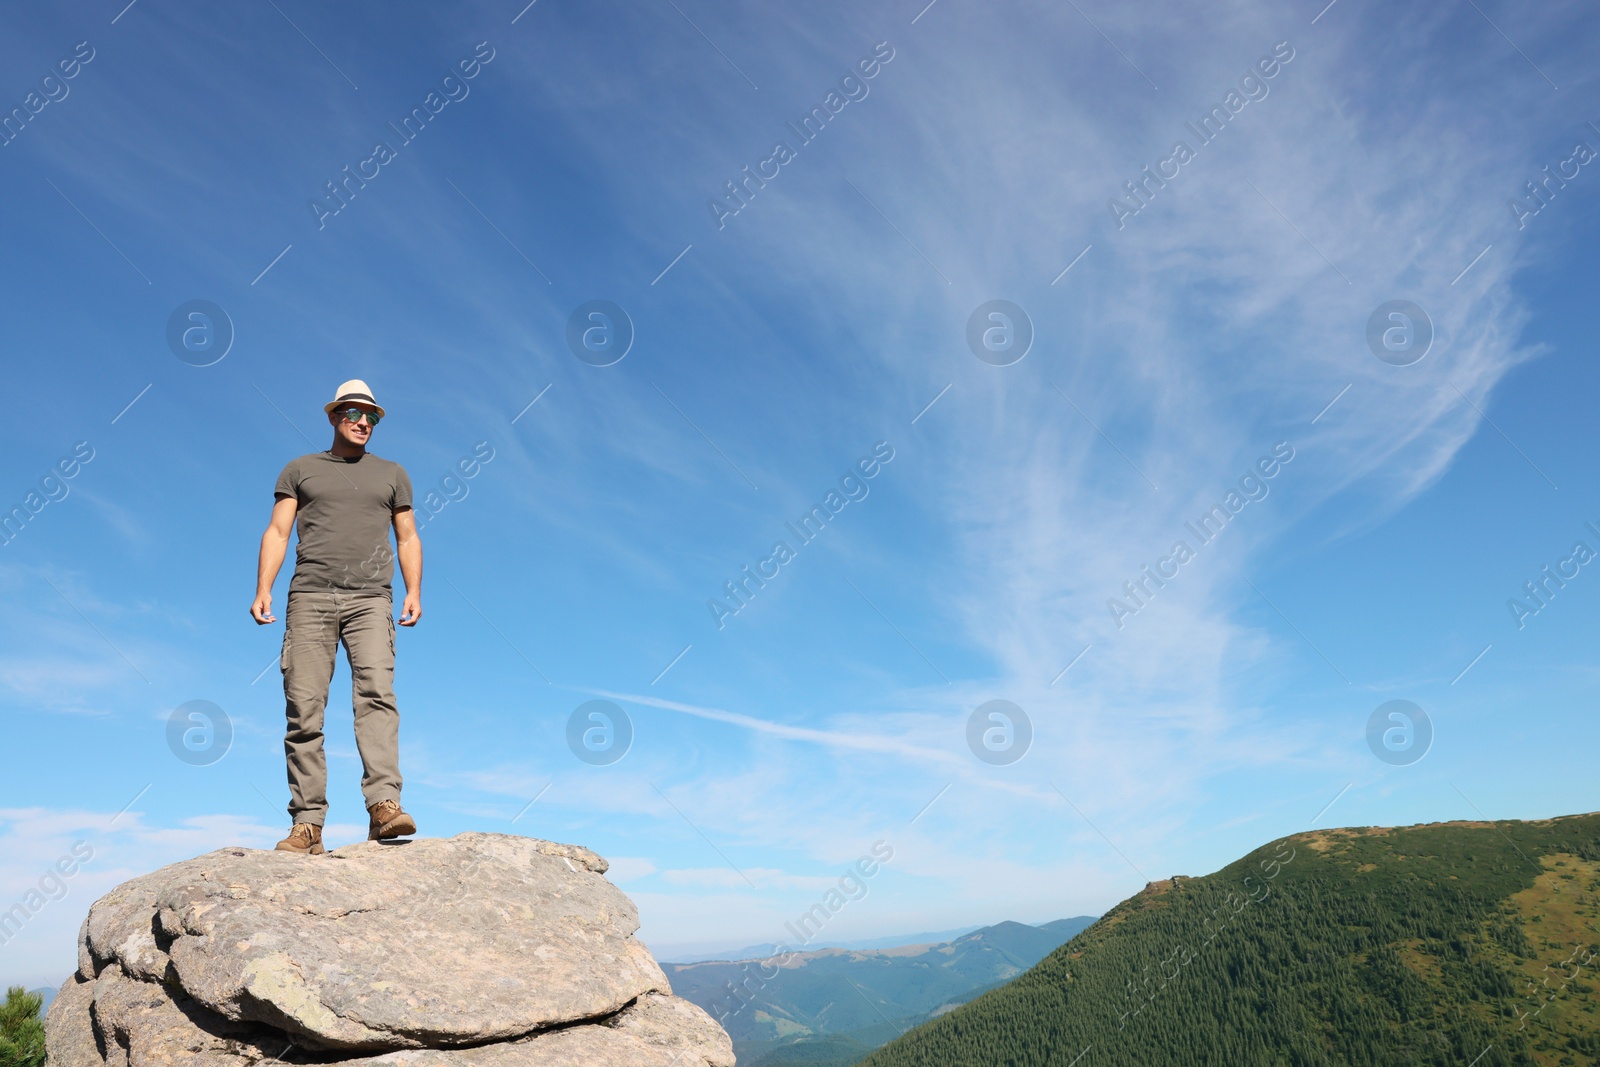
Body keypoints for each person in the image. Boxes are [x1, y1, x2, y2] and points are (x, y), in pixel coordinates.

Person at [250, 379, 422, 855]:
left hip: (372, 600)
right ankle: (308, 826)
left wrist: (414, 591)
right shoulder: (300, 470)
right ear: (333, 416)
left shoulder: (392, 474)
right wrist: (263, 588)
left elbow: (406, 536)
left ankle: (384, 806)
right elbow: (278, 530)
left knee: (377, 697)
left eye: (372, 416)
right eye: (353, 413)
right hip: (310, 598)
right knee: (303, 709)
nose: (363, 421)